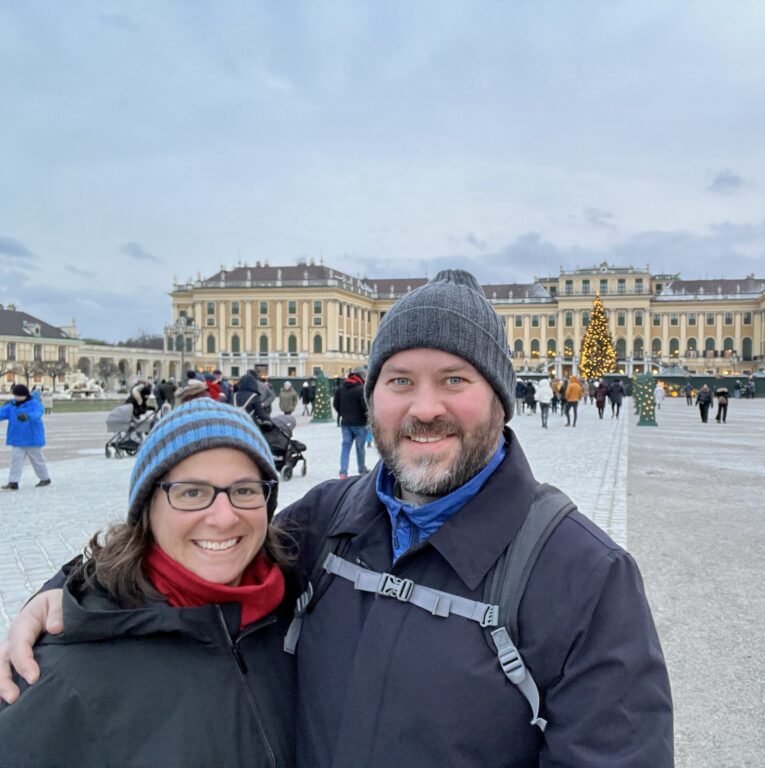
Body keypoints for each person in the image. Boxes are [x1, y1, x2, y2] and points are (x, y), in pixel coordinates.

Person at [0, 269, 674, 768]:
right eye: (400, 381)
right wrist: (69, 593)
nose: (425, 407)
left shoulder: (587, 575)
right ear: (371, 393)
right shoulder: (329, 518)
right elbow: (203, 552)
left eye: (456, 380)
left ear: (500, 399)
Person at [0, 399, 295, 767]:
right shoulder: (65, 673)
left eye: (245, 490)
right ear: (146, 509)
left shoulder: (300, 608)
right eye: (191, 492)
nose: (224, 517)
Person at [0, 385, 51, 490]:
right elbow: (2, 413)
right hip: (17, 439)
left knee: (37, 460)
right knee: (16, 461)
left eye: (19, 395)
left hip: (32, 439)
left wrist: (28, 416)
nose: (16, 397)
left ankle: (45, 478)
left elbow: (37, 413)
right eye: (15, 395)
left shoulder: (35, 404)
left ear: (25, 395)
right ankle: (13, 482)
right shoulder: (12, 405)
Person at [336, 367, 369, 479]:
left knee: (345, 447)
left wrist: (343, 414)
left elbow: (336, 404)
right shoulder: (361, 390)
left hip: (345, 424)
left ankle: (343, 472)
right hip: (360, 424)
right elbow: (365, 408)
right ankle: (362, 470)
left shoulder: (341, 389)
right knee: (360, 449)